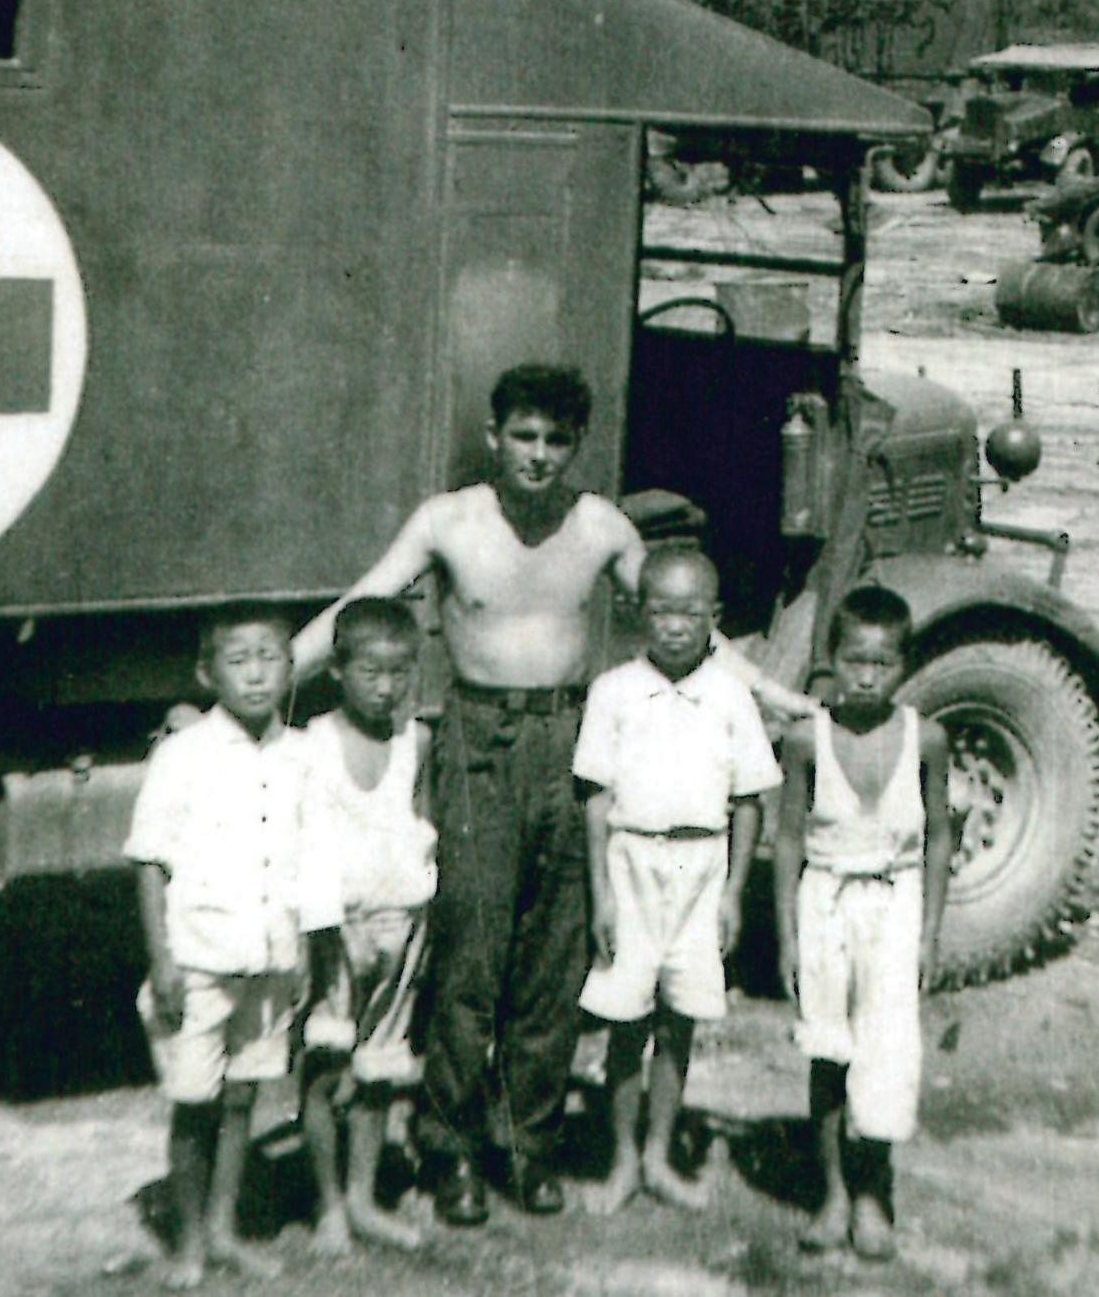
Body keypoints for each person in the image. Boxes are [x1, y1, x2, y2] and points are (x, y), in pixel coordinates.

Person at [289, 362, 807, 1225]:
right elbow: (360, 603)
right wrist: (261, 694)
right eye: (522, 437)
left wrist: (771, 691)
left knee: (554, 958)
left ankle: (527, 1143)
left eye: (556, 440)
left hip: (570, 743)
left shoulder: (601, 528)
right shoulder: (447, 521)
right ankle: (450, 1148)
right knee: (468, 954)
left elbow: (686, 615)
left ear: (577, 446)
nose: (538, 455)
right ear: (494, 438)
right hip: (475, 744)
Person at [126, 603, 341, 1290]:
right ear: (206, 670)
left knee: (246, 1094)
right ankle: (187, 1240)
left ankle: (225, 1229)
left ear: (291, 666)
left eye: (271, 657)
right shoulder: (181, 754)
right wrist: (162, 959)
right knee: (196, 1102)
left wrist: (307, 950)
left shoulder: (303, 753)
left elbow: (311, 861)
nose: (256, 673)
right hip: (198, 957)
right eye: (238, 658)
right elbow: (149, 862)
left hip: (271, 957)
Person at [572, 548, 780, 1215]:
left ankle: (660, 1153)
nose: (675, 626)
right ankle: (624, 1157)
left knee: (681, 1017)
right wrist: (602, 893)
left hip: (702, 866)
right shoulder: (614, 691)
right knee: (626, 1018)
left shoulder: (730, 695)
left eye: (691, 612)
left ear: (714, 618)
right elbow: (596, 798)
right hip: (632, 865)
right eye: (661, 610)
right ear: (638, 613)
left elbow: (749, 800)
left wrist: (732, 893)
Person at [772, 584, 952, 1263]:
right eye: (853, 661)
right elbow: (787, 838)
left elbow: (939, 838)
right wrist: (789, 935)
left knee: (887, 1046)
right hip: (825, 899)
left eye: (881, 663)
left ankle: (874, 1191)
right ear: (831, 660)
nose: (866, 675)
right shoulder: (804, 739)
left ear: (902, 664)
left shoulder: (926, 739)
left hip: (896, 902)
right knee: (829, 1047)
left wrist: (930, 932)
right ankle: (834, 1192)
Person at [294, 597, 434, 1254]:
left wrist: (417, 914)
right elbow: (299, 842)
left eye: (400, 672)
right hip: (333, 929)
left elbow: (420, 831)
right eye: (371, 671)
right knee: (325, 1063)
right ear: (338, 671)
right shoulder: (311, 745)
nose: (386, 686)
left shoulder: (415, 742)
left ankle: (363, 1195)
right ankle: (327, 1205)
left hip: (400, 927)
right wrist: (317, 929)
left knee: (379, 1069)